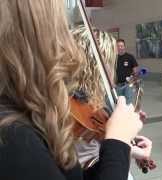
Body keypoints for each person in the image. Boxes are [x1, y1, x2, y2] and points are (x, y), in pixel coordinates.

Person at [0, 1, 143, 180]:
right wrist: (117, 144)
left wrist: (120, 149)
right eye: (60, 30)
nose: (68, 48)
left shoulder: (24, 110)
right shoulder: (14, 138)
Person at [71, 25, 153, 179]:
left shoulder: (93, 99)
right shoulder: (71, 108)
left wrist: (129, 141)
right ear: (92, 66)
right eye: (110, 63)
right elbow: (95, 152)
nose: (111, 71)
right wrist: (124, 140)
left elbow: (106, 142)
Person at [116, 39, 139, 104]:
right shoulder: (114, 58)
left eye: (121, 46)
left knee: (128, 102)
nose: (120, 47)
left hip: (128, 84)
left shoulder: (130, 57)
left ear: (124, 46)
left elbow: (135, 71)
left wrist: (135, 82)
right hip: (117, 85)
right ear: (116, 47)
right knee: (119, 103)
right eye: (118, 46)